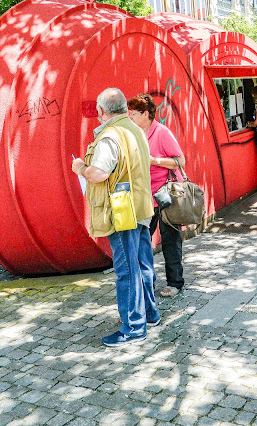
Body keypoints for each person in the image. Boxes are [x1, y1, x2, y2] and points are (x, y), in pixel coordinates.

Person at [72, 88, 160, 347]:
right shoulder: (135, 129)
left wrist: (81, 168)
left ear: (101, 111)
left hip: (121, 212)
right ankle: (150, 314)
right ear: (123, 108)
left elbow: (98, 173)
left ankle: (133, 327)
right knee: (142, 264)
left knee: (126, 270)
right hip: (140, 208)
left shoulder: (110, 136)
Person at [127, 94, 186, 298]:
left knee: (170, 240)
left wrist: (154, 161)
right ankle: (145, 281)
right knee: (141, 240)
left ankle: (175, 282)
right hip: (144, 195)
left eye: (133, 113)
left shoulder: (161, 132)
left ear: (146, 114)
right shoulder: (133, 133)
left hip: (166, 195)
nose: (129, 116)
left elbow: (180, 161)